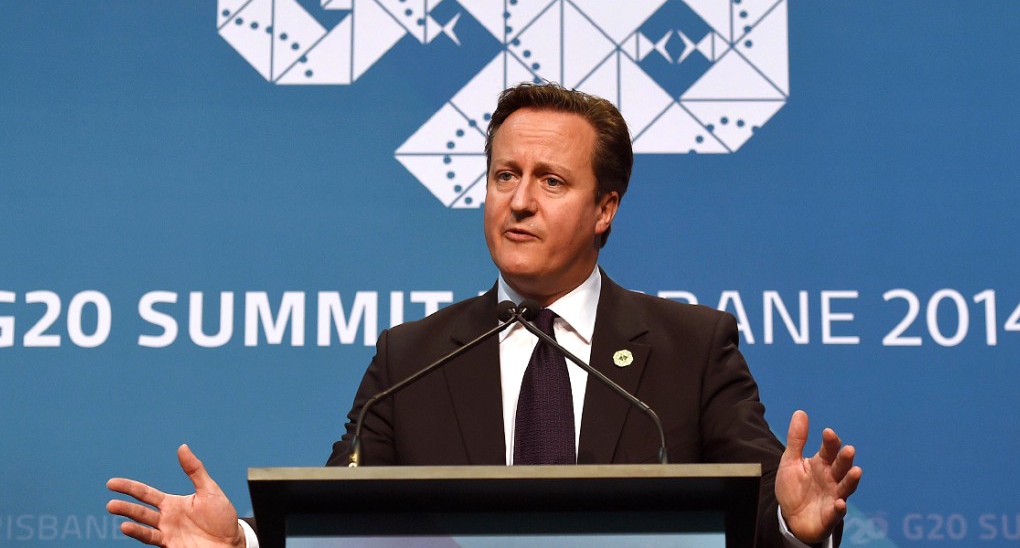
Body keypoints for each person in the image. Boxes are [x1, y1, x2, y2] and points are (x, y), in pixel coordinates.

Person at [108, 83, 861, 548]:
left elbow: (758, 513)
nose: (520, 199)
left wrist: (798, 524)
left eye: (550, 180)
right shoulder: (412, 357)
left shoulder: (691, 347)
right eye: (505, 175)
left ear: (606, 209)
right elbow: (335, 523)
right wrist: (239, 543)